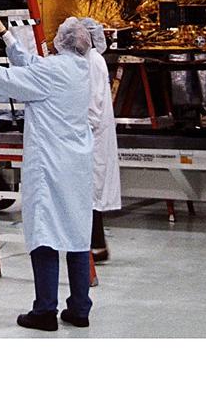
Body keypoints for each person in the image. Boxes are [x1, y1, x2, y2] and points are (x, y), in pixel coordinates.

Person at [0, 15, 94, 331]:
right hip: (77, 165)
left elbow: (7, 80)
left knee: (44, 232)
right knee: (77, 234)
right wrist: (5, 36)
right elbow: (31, 66)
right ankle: (80, 309)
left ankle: (44, 312)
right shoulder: (83, 68)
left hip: (49, 166)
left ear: (62, 40)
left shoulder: (51, 72)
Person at [81, 18, 121, 262]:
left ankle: (96, 246)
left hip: (93, 136)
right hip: (93, 134)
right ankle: (96, 245)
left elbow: (93, 106)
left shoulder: (92, 61)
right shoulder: (91, 60)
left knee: (91, 192)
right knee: (90, 192)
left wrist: (79, 130)